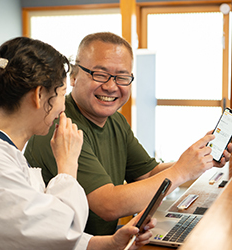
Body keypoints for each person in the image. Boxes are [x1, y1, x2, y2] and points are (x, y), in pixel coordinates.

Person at [24, 32, 232, 236]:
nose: (111, 86)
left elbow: (150, 174)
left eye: (122, 77)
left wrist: (201, 158)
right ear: (74, 76)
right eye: (100, 74)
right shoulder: (59, 128)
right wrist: (182, 171)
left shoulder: (116, 120)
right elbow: (108, 205)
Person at [0, 36, 156, 250]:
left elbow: (43, 231)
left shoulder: (5, 154)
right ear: (39, 96)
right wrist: (67, 165)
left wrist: (110, 243)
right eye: (62, 94)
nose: (63, 108)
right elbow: (62, 229)